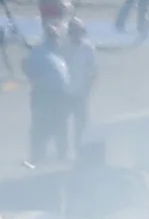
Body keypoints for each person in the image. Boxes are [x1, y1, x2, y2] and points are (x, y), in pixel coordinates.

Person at [25, 30, 72, 167]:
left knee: (60, 126)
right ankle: (37, 156)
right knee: (41, 126)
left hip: (59, 96)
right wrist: (39, 83)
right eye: (55, 37)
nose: (57, 40)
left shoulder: (56, 53)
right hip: (44, 95)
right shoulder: (40, 52)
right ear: (50, 38)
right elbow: (29, 68)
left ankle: (61, 155)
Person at [61, 20, 100, 158]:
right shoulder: (63, 47)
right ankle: (62, 153)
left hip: (80, 94)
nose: (77, 35)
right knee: (61, 125)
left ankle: (80, 152)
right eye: (75, 32)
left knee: (81, 126)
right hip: (64, 93)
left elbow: (93, 70)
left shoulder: (88, 48)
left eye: (80, 32)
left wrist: (88, 88)